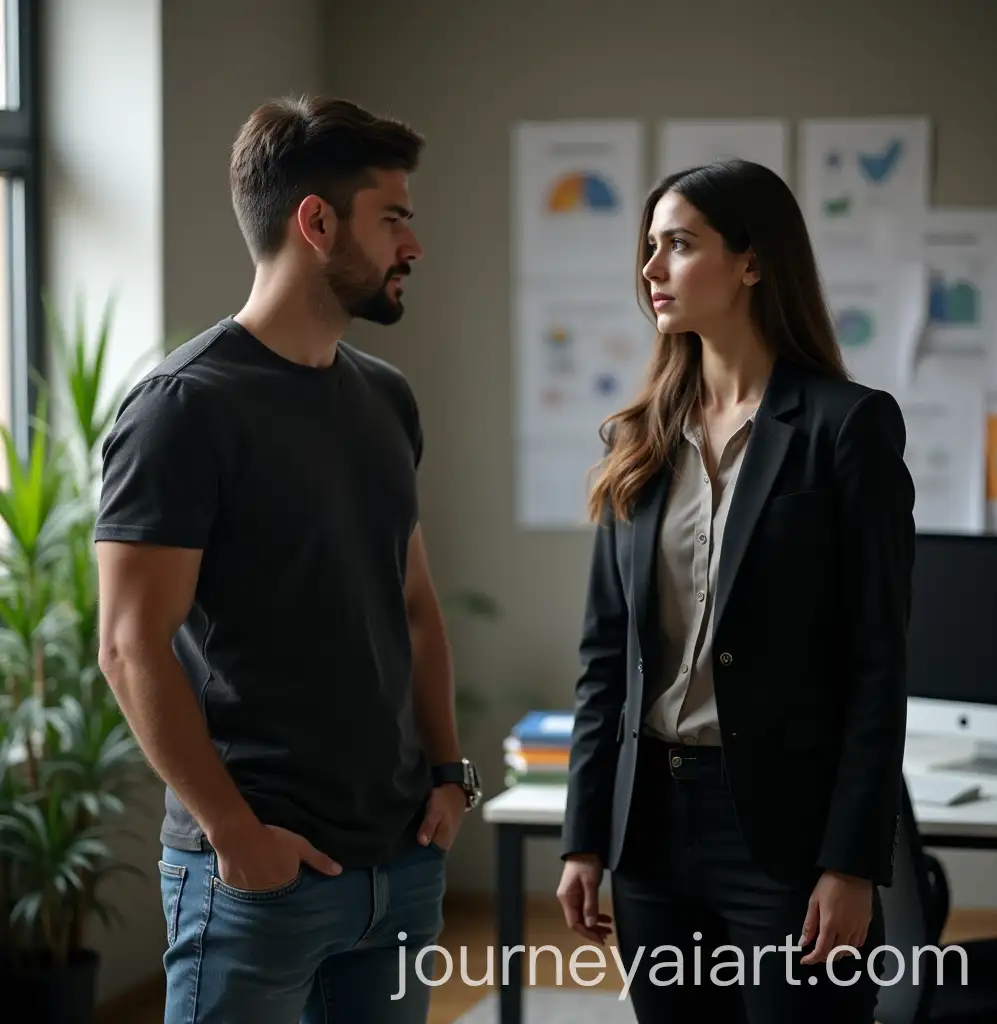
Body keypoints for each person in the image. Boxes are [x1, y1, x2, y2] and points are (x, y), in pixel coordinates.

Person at [94, 95, 482, 1024]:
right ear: (316, 222)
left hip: (400, 867)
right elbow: (129, 645)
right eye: (392, 218)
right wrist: (235, 836)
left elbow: (415, 604)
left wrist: (449, 775)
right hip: (260, 877)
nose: (412, 247)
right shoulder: (182, 409)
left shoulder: (386, 399)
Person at [555, 159, 915, 1024]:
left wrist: (851, 862)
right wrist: (584, 835)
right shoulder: (635, 439)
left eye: (678, 245)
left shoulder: (847, 427)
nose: (651, 271)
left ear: (752, 261)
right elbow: (607, 660)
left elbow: (877, 663)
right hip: (651, 831)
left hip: (787, 837)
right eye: (649, 247)